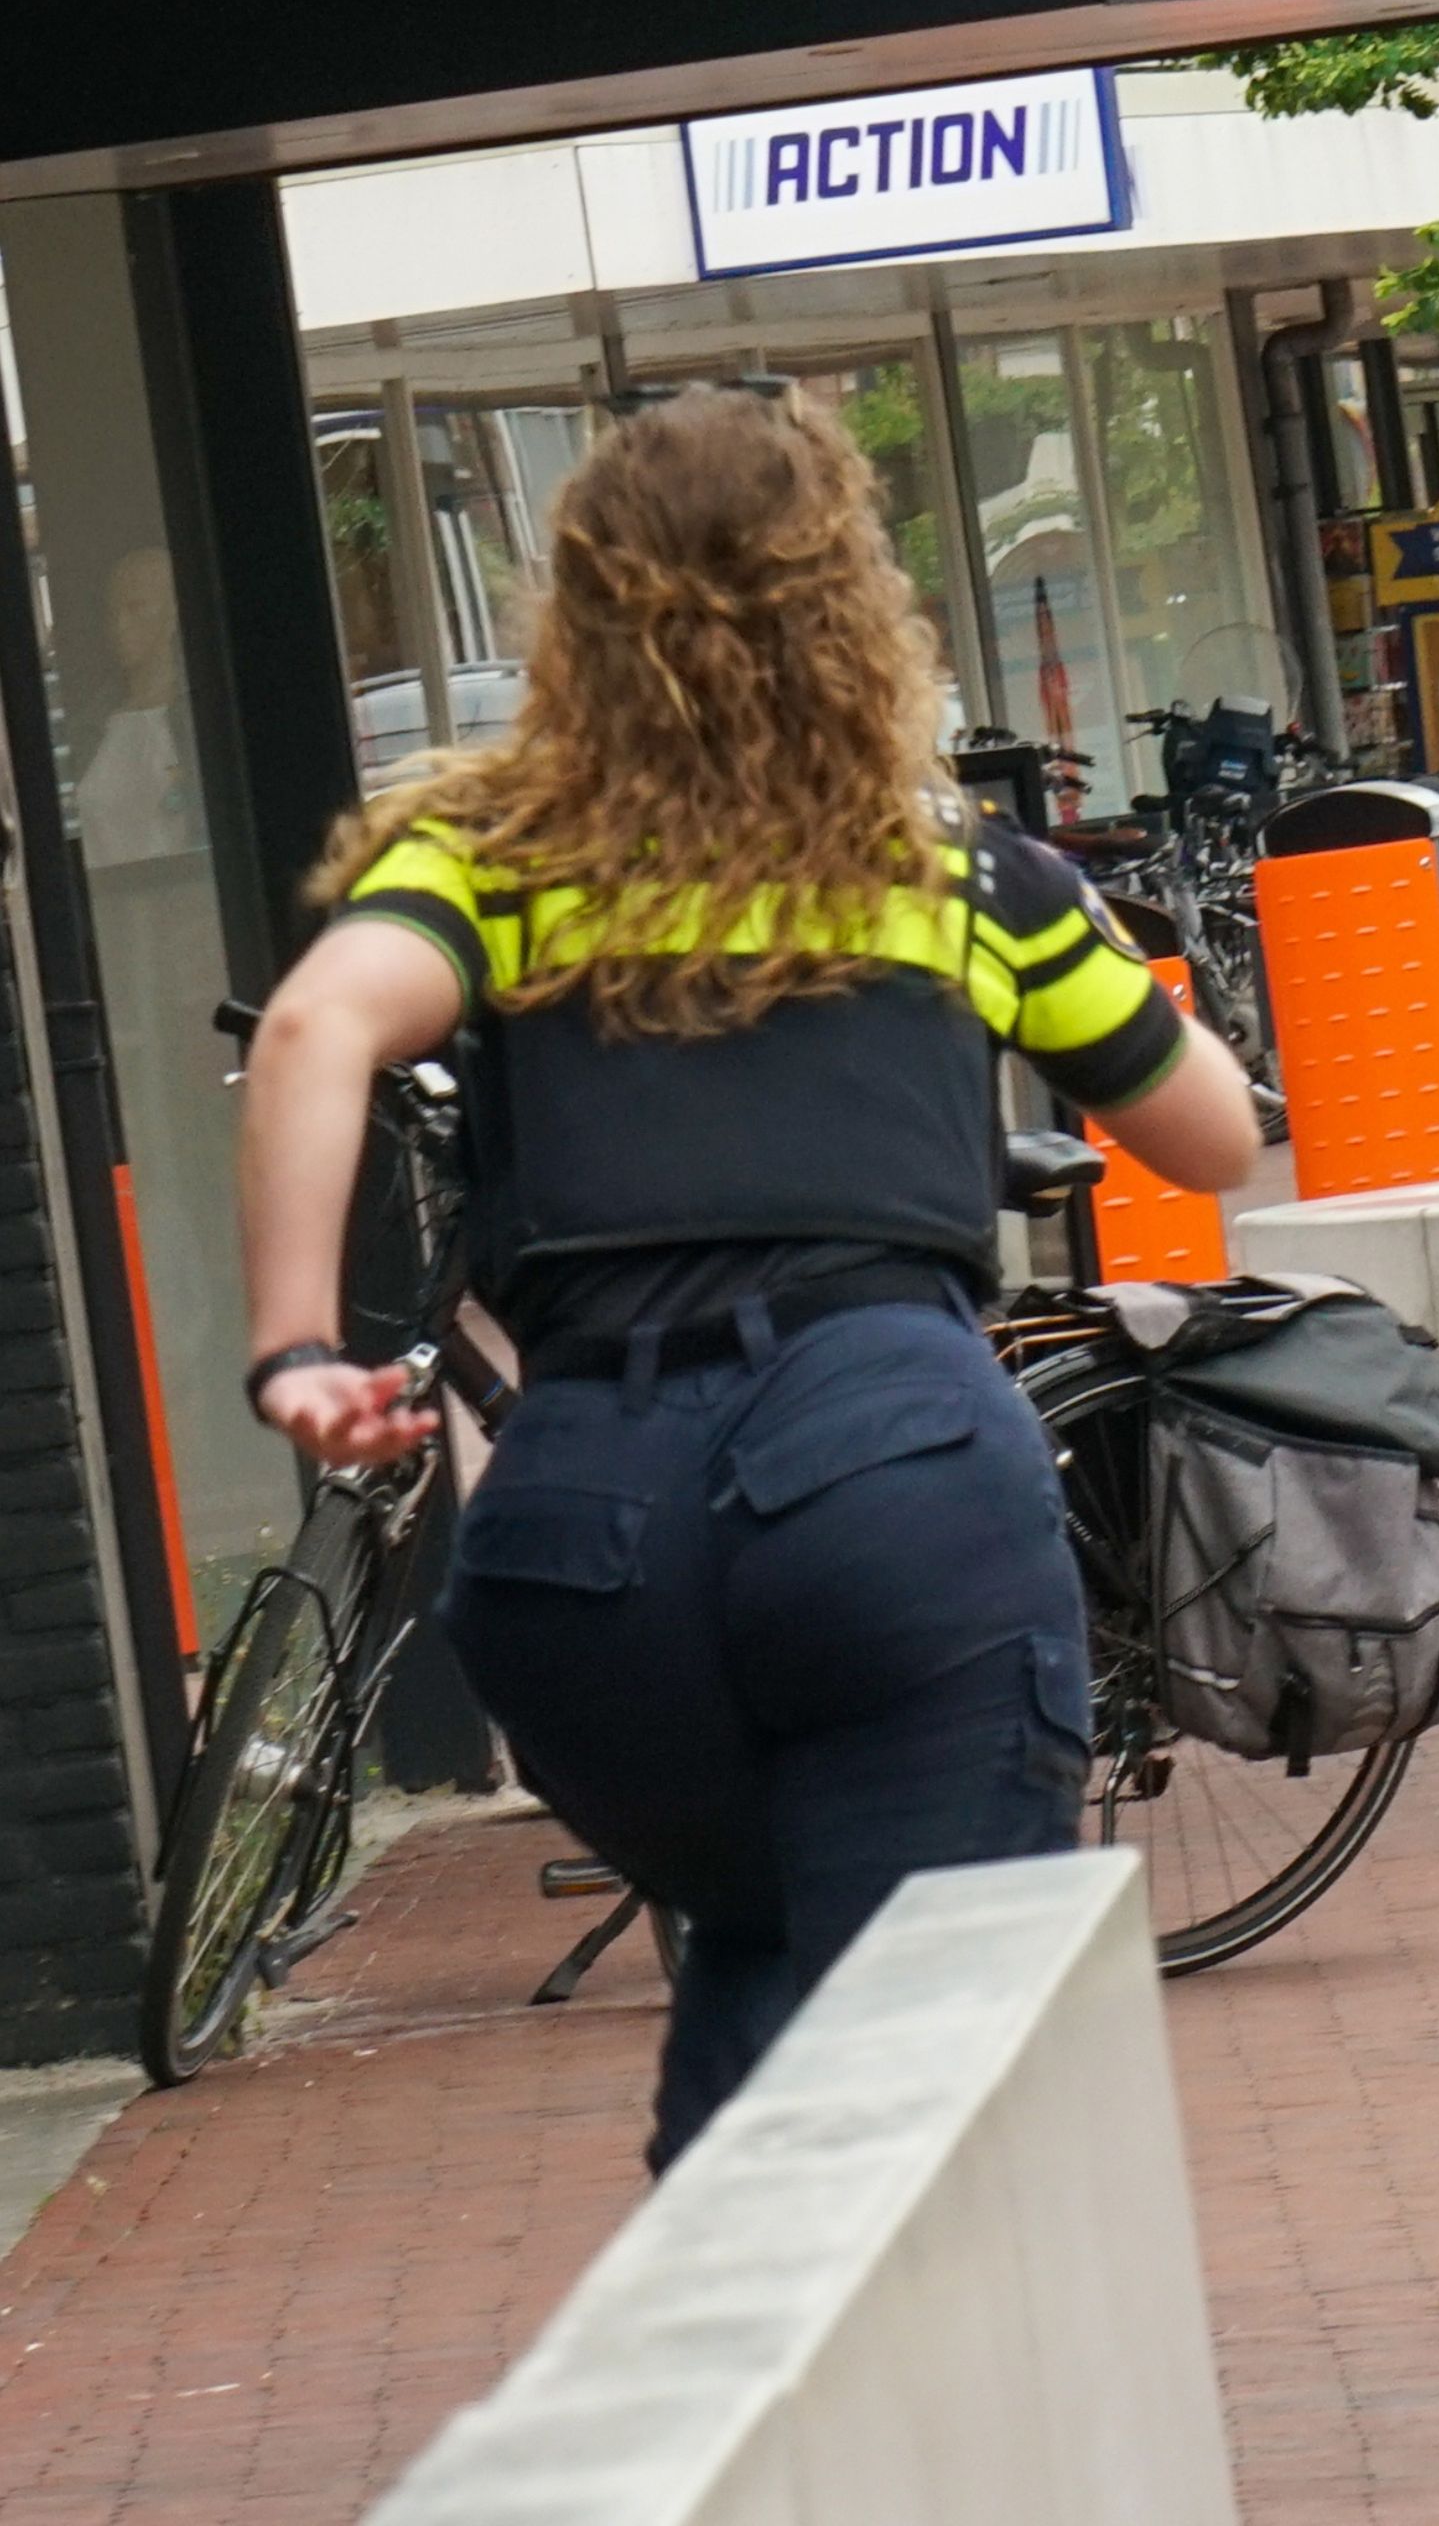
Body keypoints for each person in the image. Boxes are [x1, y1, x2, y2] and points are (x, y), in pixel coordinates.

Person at [236, 385, 1258, 2170]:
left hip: (582, 1525)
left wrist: (298, 1348)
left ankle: (741, 2340)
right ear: (854, 610)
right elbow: (1211, 1136)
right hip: (889, 1463)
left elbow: (319, 1019)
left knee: (768, 1948)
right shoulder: (959, 870)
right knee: (936, 2050)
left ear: (582, 619)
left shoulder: (492, 862)